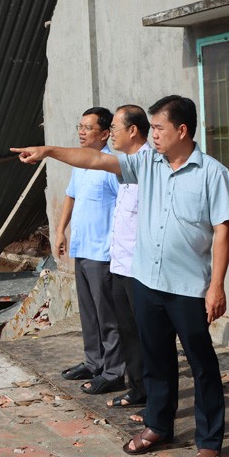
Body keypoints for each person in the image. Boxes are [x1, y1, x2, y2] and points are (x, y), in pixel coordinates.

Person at [12, 95, 229, 457]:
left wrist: (217, 286)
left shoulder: (212, 173)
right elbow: (95, 159)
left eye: (160, 129)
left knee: (202, 363)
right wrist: (49, 150)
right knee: (156, 359)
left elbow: (221, 232)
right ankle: (159, 427)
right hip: (147, 280)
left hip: (187, 286)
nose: (154, 136)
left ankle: (209, 442)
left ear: (182, 130)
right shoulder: (147, 163)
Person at [55, 107, 123, 396]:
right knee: (88, 313)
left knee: (108, 315)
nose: (81, 132)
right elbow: (71, 196)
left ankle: (114, 371)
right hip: (82, 248)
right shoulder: (80, 164)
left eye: (88, 128)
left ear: (105, 133)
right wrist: (60, 230)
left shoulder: (110, 165)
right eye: (79, 127)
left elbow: (125, 207)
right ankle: (93, 362)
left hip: (103, 252)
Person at [104, 105, 150, 411]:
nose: (110, 135)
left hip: (140, 267)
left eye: (113, 129)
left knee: (148, 335)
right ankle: (138, 389)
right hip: (119, 262)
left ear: (133, 130)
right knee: (128, 332)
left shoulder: (149, 163)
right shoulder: (125, 166)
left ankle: (156, 396)